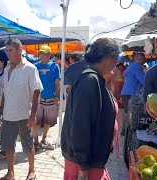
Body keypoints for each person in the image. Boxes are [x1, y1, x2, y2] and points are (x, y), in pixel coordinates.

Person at [61, 38, 120, 180]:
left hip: (90, 160)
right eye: (116, 58)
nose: (116, 63)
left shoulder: (95, 79)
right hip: (84, 164)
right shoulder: (89, 81)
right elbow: (80, 125)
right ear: (107, 57)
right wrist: (83, 166)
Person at [0, 38, 43, 180]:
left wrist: (33, 115)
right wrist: (0, 111)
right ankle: (10, 173)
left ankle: (32, 170)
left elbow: (37, 91)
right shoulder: (6, 69)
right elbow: (5, 91)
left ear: (19, 50)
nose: (8, 53)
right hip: (8, 115)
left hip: (24, 114)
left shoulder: (30, 68)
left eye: (10, 50)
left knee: (28, 144)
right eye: (7, 50)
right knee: (9, 146)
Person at [33, 45, 61, 150]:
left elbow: (57, 83)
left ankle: (44, 138)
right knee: (36, 120)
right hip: (37, 99)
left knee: (48, 121)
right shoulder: (35, 66)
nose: (43, 56)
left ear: (49, 55)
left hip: (50, 98)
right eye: (41, 53)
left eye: (45, 54)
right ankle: (35, 140)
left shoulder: (54, 66)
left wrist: (57, 97)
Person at [120, 53, 146, 135]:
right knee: (131, 112)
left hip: (126, 92)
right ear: (136, 58)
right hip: (131, 93)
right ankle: (129, 130)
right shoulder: (137, 66)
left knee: (126, 111)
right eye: (140, 59)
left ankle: (124, 129)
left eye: (143, 59)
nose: (141, 61)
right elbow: (143, 80)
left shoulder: (130, 66)